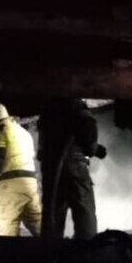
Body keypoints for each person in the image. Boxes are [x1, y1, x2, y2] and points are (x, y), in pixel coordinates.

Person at [36, 98, 107, 239]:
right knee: (84, 212)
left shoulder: (47, 113)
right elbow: (89, 142)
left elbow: (41, 152)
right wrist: (98, 150)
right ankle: (86, 247)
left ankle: (50, 249)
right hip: (75, 168)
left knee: (53, 214)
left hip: (51, 170)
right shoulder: (78, 108)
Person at [0, 102, 42, 236]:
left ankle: (10, 251)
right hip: (30, 184)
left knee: (7, 226)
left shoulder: (1, 132)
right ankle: (52, 247)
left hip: (10, 185)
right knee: (38, 224)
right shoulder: (23, 132)